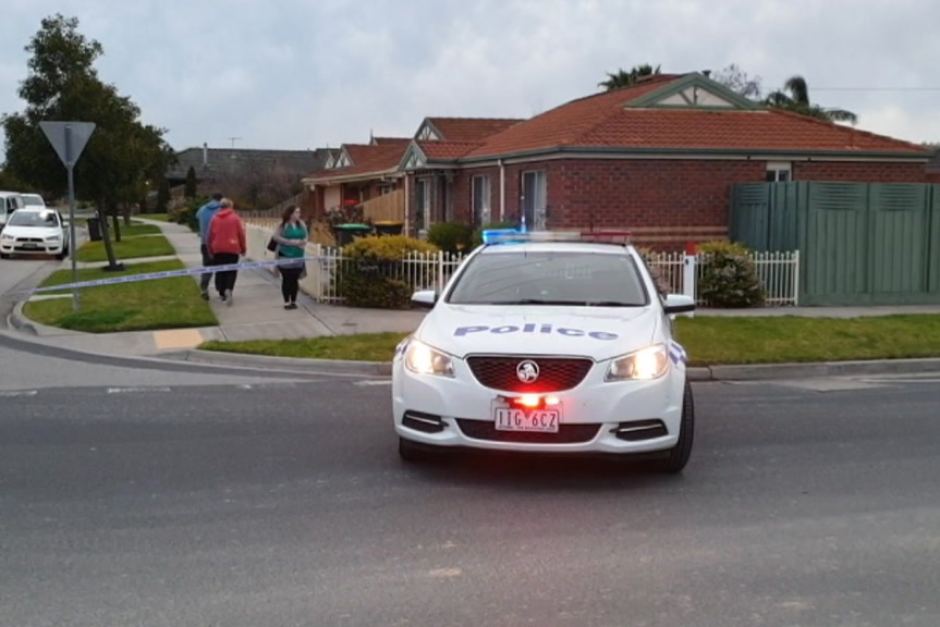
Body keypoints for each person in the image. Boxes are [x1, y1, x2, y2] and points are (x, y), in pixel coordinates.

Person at [206, 198, 246, 306]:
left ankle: (221, 292)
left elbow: (209, 236)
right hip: (232, 248)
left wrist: (210, 250)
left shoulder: (214, 218)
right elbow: (241, 235)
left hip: (218, 248)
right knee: (231, 271)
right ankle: (229, 288)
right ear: (230, 207)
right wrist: (243, 248)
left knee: (220, 270)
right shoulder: (235, 218)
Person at [272, 205, 309, 309]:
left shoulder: (301, 224)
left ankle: (293, 300)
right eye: (296, 212)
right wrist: (289, 242)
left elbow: (306, 236)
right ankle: (286, 301)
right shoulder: (283, 225)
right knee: (286, 279)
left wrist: (302, 242)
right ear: (291, 213)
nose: (298, 214)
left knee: (294, 279)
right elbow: (276, 237)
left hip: (298, 255)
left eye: (299, 212)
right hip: (285, 255)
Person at [195, 192, 223, 299]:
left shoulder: (202, 209)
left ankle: (204, 288)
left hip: (205, 243)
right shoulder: (221, 210)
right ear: (221, 199)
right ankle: (221, 289)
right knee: (221, 268)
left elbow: (197, 217)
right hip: (219, 243)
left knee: (207, 267)